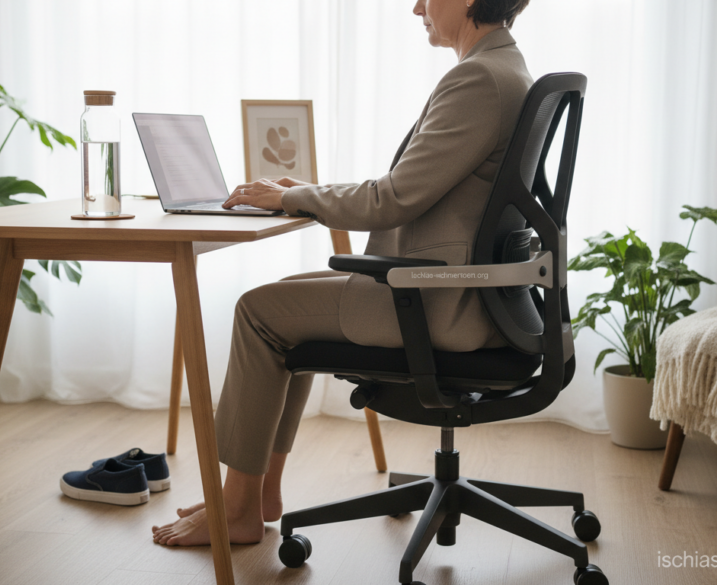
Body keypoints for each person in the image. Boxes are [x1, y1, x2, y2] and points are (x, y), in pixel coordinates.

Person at [152, 0, 533, 546]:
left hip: (439, 302)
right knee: (281, 300)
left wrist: (292, 197)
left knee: (259, 314)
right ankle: (259, 494)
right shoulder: (508, 69)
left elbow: (394, 198)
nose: (416, 7)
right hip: (470, 294)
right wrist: (297, 194)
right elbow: (404, 189)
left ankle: (237, 510)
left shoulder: (479, 80)